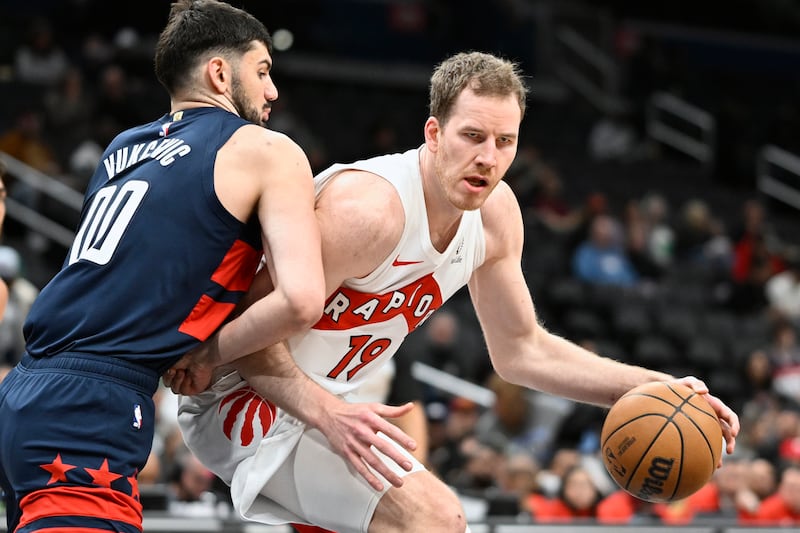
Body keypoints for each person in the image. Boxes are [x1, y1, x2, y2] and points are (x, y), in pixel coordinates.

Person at [169, 51, 739, 533]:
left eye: (505, 141)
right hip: (242, 394)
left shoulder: (495, 217)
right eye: (472, 136)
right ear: (434, 134)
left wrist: (659, 389)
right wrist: (328, 413)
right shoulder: (368, 211)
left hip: (333, 404)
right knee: (435, 520)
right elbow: (238, 332)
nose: (489, 157)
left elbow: (522, 352)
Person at [0, 2, 417, 532]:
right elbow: (301, 300)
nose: (272, 91)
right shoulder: (265, 149)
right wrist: (205, 354)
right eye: (262, 71)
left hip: (25, 392)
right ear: (220, 73)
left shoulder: (121, 148)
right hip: (92, 407)